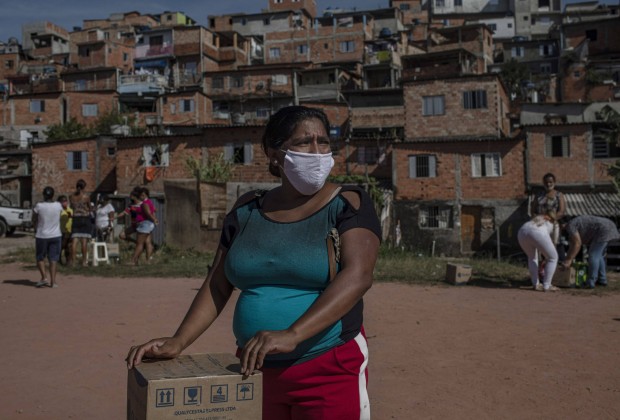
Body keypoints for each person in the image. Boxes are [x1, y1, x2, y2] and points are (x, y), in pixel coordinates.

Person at [126, 106, 382, 419]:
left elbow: (358, 276)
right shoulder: (246, 210)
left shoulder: (348, 203)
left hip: (328, 366)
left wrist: (293, 333)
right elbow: (218, 283)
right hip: (253, 370)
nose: (317, 152)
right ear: (273, 154)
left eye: (323, 142)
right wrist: (179, 341)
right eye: (304, 143)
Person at [560, 215, 620, 288]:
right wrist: (567, 259)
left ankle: (591, 282)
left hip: (604, 230)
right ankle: (602, 280)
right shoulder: (573, 224)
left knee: (593, 255)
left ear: (562, 224)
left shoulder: (570, 226)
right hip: (608, 226)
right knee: (598, 255)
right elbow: (572, 246)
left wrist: (569, 260)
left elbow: (577, 244)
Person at [517, 215, 560, 292]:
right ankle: (547, 285)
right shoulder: (555, 224)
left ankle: (535, 284)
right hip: (537, 232)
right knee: (553, 258)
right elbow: (554, 242)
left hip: (522, 231)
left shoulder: (538, 218)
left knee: (532, 257)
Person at [32, 186, 63, 288]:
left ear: (44, 195)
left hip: (42, 235)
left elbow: (34, 219)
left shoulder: (39, 206)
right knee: (53, 259)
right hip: (56, 235)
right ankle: (53, 282)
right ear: (53, 195)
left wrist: (35, 228)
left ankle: (44, 277)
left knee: (40, 257)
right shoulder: (58, 205)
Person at [531, 173, 566, 251]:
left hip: (553, 224)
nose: (548, 184)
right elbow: (533, 210)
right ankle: (541, 262)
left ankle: (555, 262)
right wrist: (536, 219)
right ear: (543, 183)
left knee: (554, 246)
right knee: (541, 245)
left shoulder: (559, 195)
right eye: (546, 182)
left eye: (550, 182)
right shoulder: (539, 195)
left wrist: (551, 218)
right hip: (540, 224)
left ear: (554, 182)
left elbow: (562, 211)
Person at [131, 186, 158, 265]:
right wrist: (154, 219)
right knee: (148, 242)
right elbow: (154, 210)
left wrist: (154, 219)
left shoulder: (144, 204)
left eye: (140, 195)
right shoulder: (149, 202)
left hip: (145, 224)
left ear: (143, 195)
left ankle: (133, 260)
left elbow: (148, 213)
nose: (139, 197)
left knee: (139, 243)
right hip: (149, 224)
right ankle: (148, 260)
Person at [69, 179, 93, 267]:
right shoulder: (86, 197)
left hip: (75, 219)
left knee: (74, 241)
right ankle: (84, 262)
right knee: (84, 241)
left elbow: (71, 207)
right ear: (84, 187)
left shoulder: (71, 196)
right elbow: (90, 208)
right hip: (85, 218)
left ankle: (73, 262)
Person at [58, 195, 73, 266]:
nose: (65, 202)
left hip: (70, 230)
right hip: (62, 231)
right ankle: (58, 260)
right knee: (61, 246)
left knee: (68, 247)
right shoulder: (59, 210)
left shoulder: (70, 209)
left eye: (66, 201)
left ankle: (68, 261)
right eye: (63, 201)